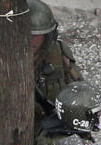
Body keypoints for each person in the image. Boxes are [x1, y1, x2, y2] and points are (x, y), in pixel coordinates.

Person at [29, 0, 83, 133]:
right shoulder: (6, 63)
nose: (31, 40)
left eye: (36, 35)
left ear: (47, 35)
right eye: (27, 35)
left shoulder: (59, 54)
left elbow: (78, 92)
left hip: (53, 129)